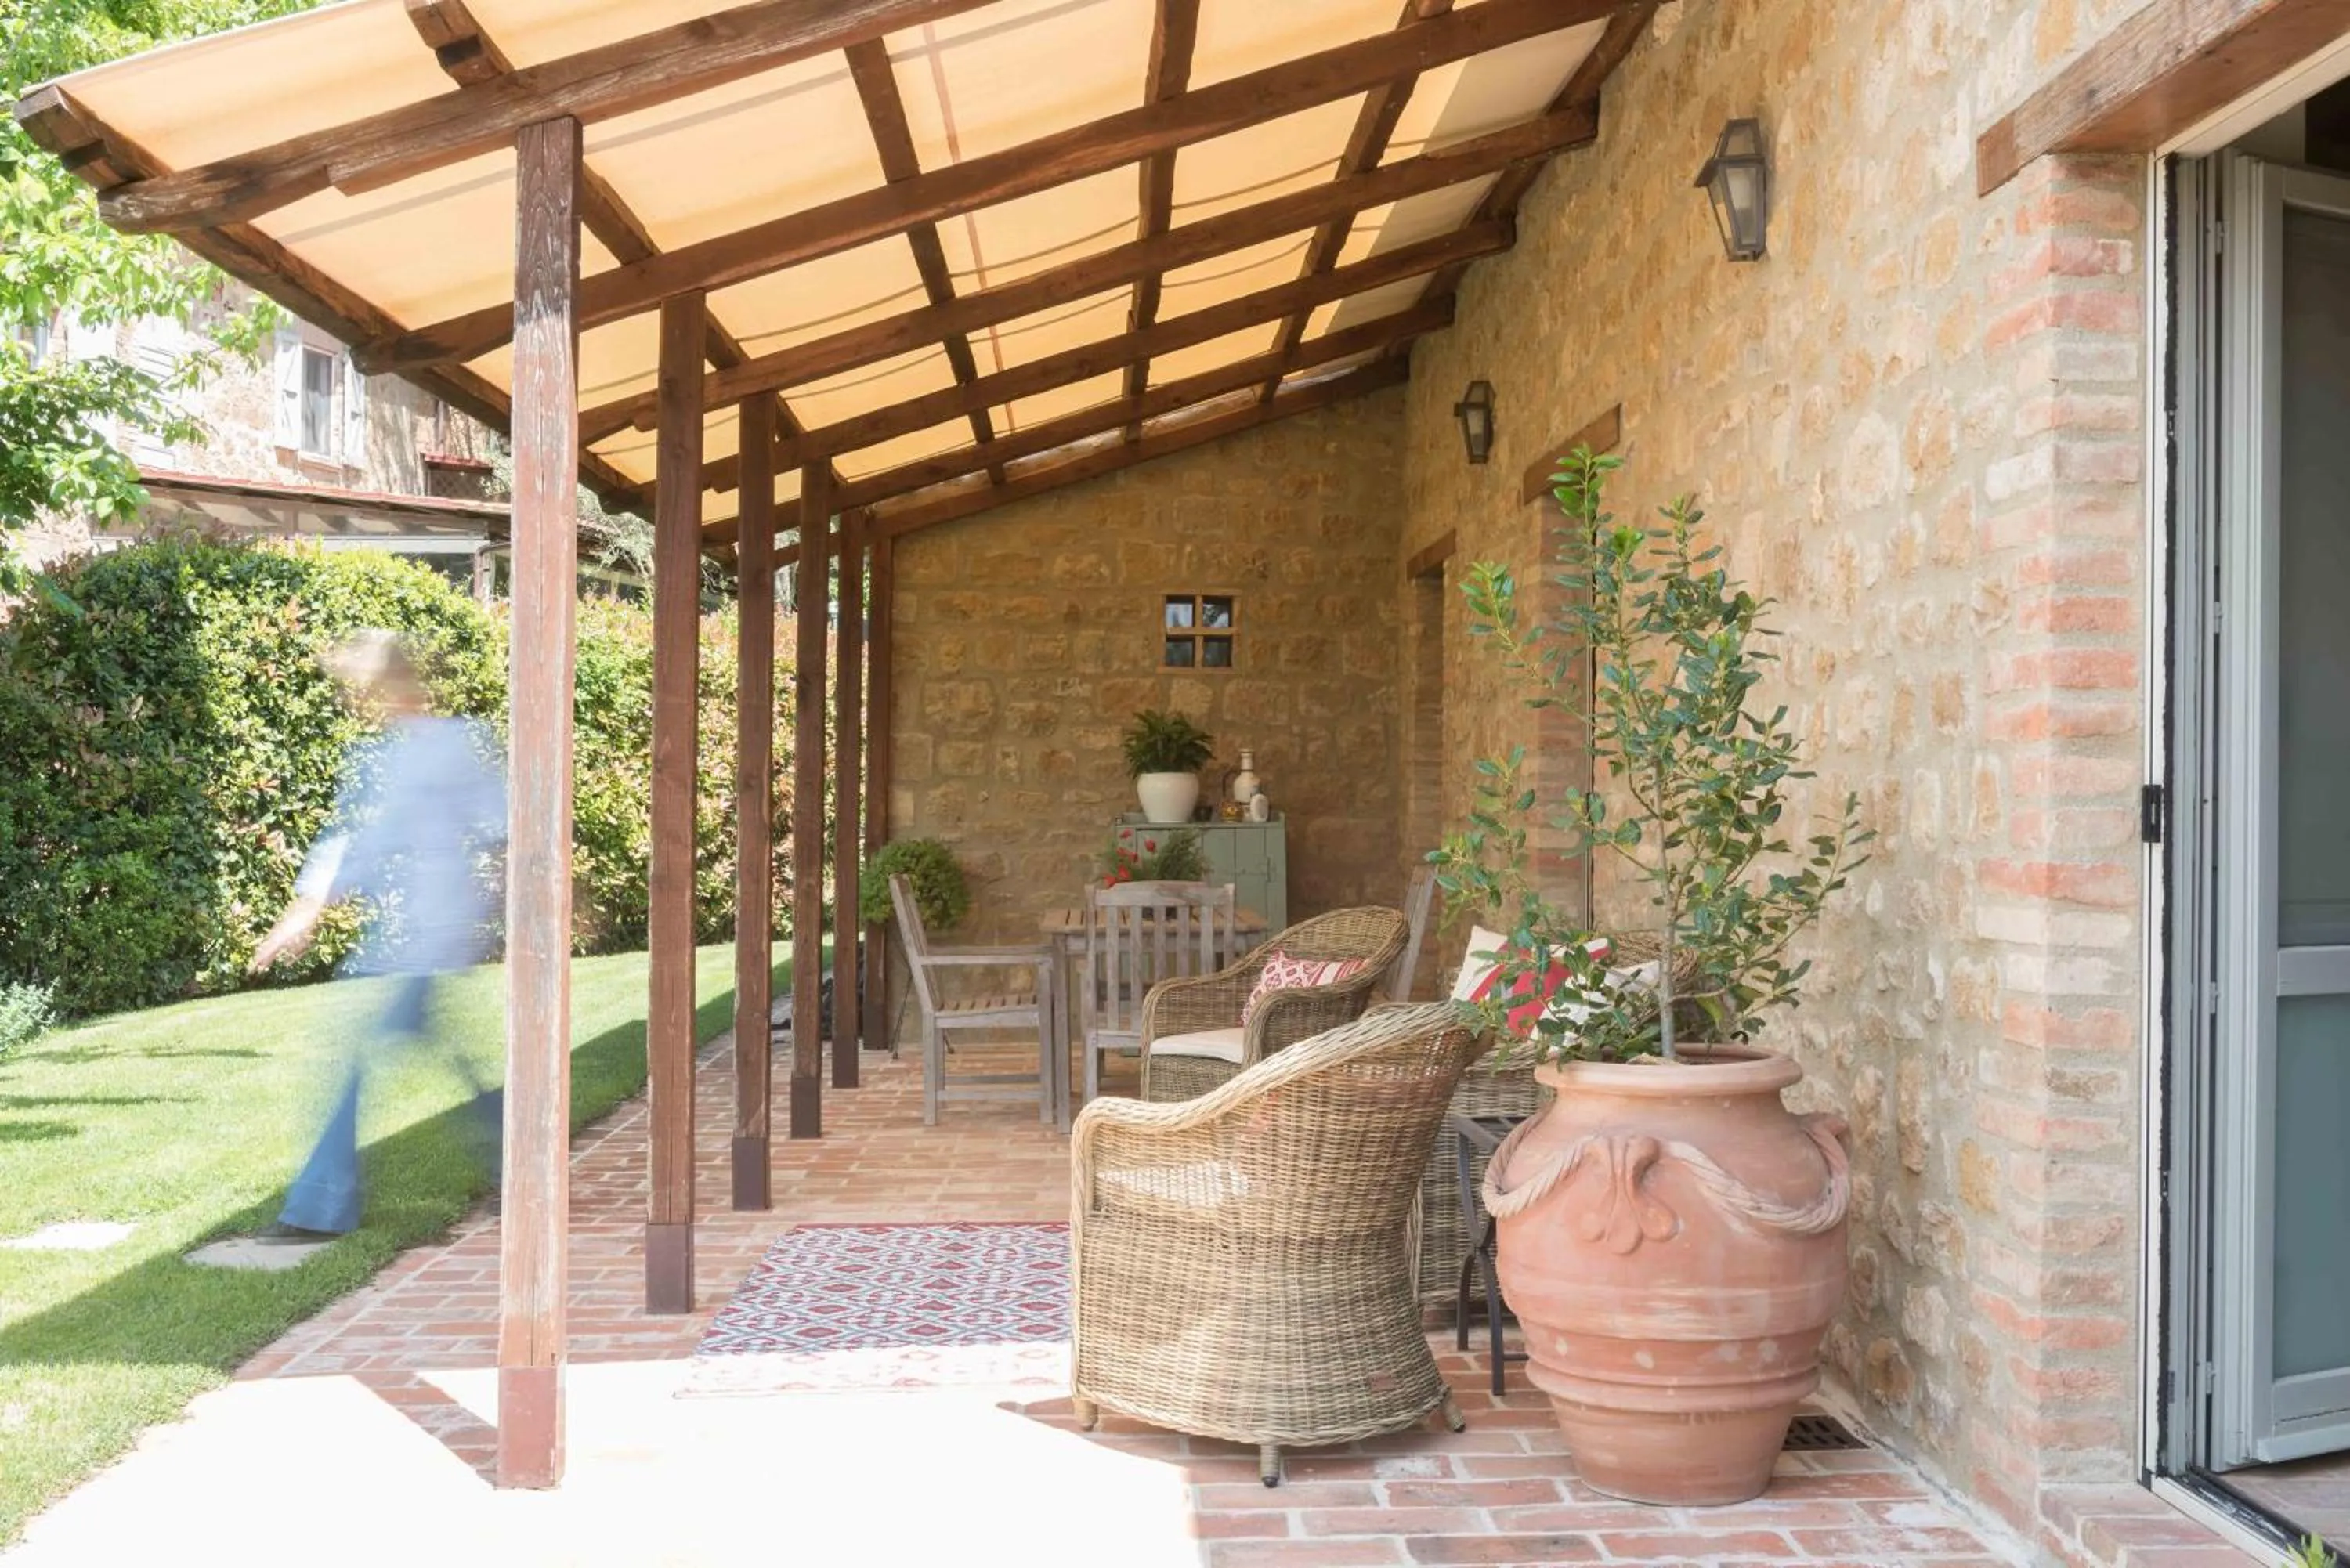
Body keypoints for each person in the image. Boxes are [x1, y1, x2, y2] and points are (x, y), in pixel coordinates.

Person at [247, 630, 508, 1241]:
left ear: (399, 683)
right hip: (399, 937)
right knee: (448, 1057)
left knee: (353, 1059)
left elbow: (500, 821)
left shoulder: (452, 744)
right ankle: (521, 1163)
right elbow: (355, 843)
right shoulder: (381, 755)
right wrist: (306, 910)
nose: (363, 701)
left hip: (433, 934)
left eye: (368, 688)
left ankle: (320, 1206)